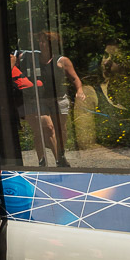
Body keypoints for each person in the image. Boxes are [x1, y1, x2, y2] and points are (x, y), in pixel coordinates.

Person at [35, 29, 85, 168]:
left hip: (59, 98)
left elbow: (74, 78)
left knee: (61, 129)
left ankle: (61, 154)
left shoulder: (62, 61)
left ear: (52, 44)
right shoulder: (35, 59)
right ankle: (54, 159)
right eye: (40, 41)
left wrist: (79, 90)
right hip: (42, 100)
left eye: (44, 41)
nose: (41, 43)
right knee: (49, 127)